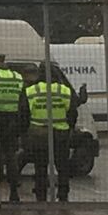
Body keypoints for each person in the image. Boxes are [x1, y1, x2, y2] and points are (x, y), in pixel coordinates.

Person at [20, 66, 75, 202]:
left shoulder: (31, 91)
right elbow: (73, 112)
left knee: (40, 166)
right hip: (60, 132)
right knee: (62, 166)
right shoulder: (65, 91)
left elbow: (23, 112)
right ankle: (63, 193)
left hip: (39, 133)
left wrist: (25, 131)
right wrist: (69, 127)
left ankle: (41, 194)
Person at [0, 55, 27, 200]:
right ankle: (14, 192)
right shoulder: (17, 77)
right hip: (12, 120)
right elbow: (23, 102)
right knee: (11, 157)